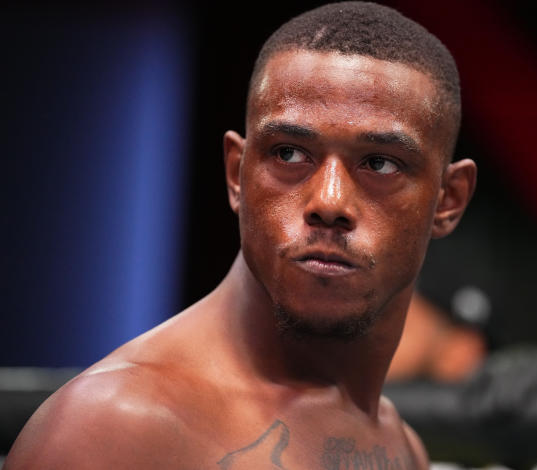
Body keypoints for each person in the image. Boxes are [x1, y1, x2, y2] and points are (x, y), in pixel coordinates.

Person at [5, 2, 476, 468]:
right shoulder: (115, 428)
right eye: (289, 154)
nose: (329, 202)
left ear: (449, 200)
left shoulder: (400, 447)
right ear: (236, 174)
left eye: (379, 163)